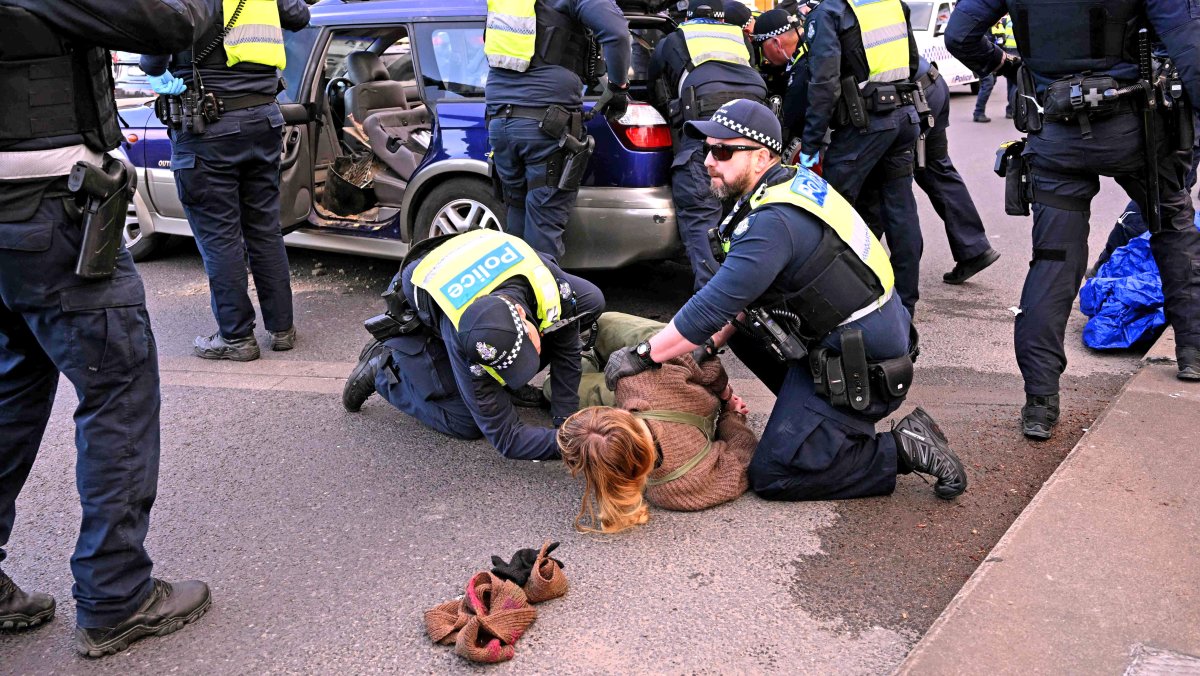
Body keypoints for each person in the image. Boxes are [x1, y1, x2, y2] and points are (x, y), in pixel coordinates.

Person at [604, 99, 968, 502]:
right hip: (846, 347)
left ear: (761, 157)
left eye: (724, 151)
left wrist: (643, 355)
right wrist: (706, 348)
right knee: (741, 329)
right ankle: (819, 428)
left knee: (774, 475)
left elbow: (710, 306)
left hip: (862, 373)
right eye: (709, 149)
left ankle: (899, 448)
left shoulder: (774, 222)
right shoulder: (786, 183)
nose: (709, 161)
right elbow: (737, 303)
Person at [0, 0, 212, 657]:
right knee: (118, 392)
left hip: (15, 219)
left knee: (12, 389)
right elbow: (173, 22)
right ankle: (116, 595)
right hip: (49, 215)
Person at [946, 0, 1200, 439]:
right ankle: (1192, 351)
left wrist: (1007, 67)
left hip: (1056, 130)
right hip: (1136, 130)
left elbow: (959, 36)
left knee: (1053, 261)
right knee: (1172, 227)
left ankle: (1040, 403)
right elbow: (1190, 49)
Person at [140, 0, 309, 362]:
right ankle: (282, 329)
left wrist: (154, 70)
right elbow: (299, 14)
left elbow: (157, 44)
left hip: (208, 124)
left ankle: (236, 337)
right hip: (263, 118)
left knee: (220, 237)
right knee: (264, 229)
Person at [341, 229, 604, 460]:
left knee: (591, 301)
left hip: (468, 259)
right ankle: (384, 369)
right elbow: (506, 439)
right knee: (466, 423)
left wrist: (566, 422)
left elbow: (567, 346)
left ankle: (502, 375)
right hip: (421, 309)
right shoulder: (462, 334)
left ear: (523, 315)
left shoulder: (549, 283)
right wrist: (572, 445)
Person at [555, 312, 758, 533]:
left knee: (555, 385)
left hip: (662, 379)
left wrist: (732, 415)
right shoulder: (632, 382)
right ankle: (590, 356)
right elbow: (696, 356)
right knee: (603, 323)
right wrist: (725, 395)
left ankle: (588, 359)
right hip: (656, 376)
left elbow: (743, 455)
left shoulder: (677, 491)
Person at [794, 0, 925, 316]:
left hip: (865, 123)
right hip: (905, 115)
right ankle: (905, 301)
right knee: (899, 207)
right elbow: (912, 60)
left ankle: (832, 300)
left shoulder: (830, 13)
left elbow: (823, 83)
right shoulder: (892, 4)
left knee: (832, 210)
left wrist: (810, 144)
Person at [484, 0, 632, 261]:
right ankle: (540, 299)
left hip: (500, 122)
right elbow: (617, 33)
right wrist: (619, 86)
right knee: (543, 229)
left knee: (516, 217)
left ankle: (510, 297)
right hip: (546, 126)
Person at [648, 0, 768, 289]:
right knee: (752, 224)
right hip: (752, 149)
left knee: (703, 224)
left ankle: (712, 315)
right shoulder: (740, 38)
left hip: (705, 143)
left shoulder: (673, 40)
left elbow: (653, 87)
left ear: (687, 15)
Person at [871, 57, 1002, 285]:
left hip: (912, 97)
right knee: (936, 169)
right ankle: (974, 249)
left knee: (888, 178)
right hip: (931, 86)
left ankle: (865, 265)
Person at [752, 9, 808, 153]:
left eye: (762, 48)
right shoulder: (812, 44)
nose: (764, 58)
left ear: (776, 43)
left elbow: (791, 121)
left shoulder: (802, 67)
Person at [971, 16, 1015, 123]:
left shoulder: (998, 23)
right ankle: (978, 112)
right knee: (988, 82)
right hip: (985, 59)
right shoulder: (984, 23)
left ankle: (1011, 110)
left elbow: (1000, 40)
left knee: (1011, 79)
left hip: (996, 58)